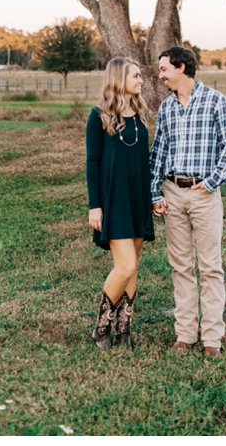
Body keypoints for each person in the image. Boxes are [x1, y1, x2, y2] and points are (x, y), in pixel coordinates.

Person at [150, 45, 226, 356]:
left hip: (204, 194)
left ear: (182, 68)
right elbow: (159, 153)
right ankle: (185, 334)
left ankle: (212, 338)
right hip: (173, 194)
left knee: (211, 267)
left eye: (164, 69)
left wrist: (212, 181)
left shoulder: (216, 101)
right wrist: (154, 193)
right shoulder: (167, 108)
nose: (160, 75)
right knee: (180, 267)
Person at [85, 57, 154, 350]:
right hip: (114, 199)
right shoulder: (99, 115)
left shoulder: (139, 115)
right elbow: (93, 162)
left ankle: (124, 330)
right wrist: (95, 205)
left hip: (138, 197)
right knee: (124, 266)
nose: (141, 80)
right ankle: (101, 329)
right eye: (136, 76)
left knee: (133, 267)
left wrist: (153, 197)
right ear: (119, 79)